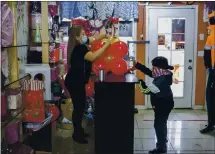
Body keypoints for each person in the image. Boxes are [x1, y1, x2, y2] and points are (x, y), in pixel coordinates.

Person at [65, 25, 111, 144]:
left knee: (80, 106)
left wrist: (105, 35)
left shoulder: (78, 44)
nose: (86, 35)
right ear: (77, 36)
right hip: (75, 82)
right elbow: (94, 56)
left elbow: (94, 38)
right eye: (83, 33)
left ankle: (79, 131)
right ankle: (77, 135)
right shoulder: (80, 48)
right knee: (79, 108)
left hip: (76, 81)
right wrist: (107, 44)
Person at [130, 56, 174, 154]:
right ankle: (163, 141)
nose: (152, 69)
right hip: (165, 102)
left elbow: (146, 90)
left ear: (159, 68)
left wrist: (140, 82)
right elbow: (150, 73)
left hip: (162, 104)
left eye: (154, 67)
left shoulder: (162, 79)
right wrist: (138, 65)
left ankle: (161, 148)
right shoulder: (164, 73)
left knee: (158, 125)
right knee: (162, 123)